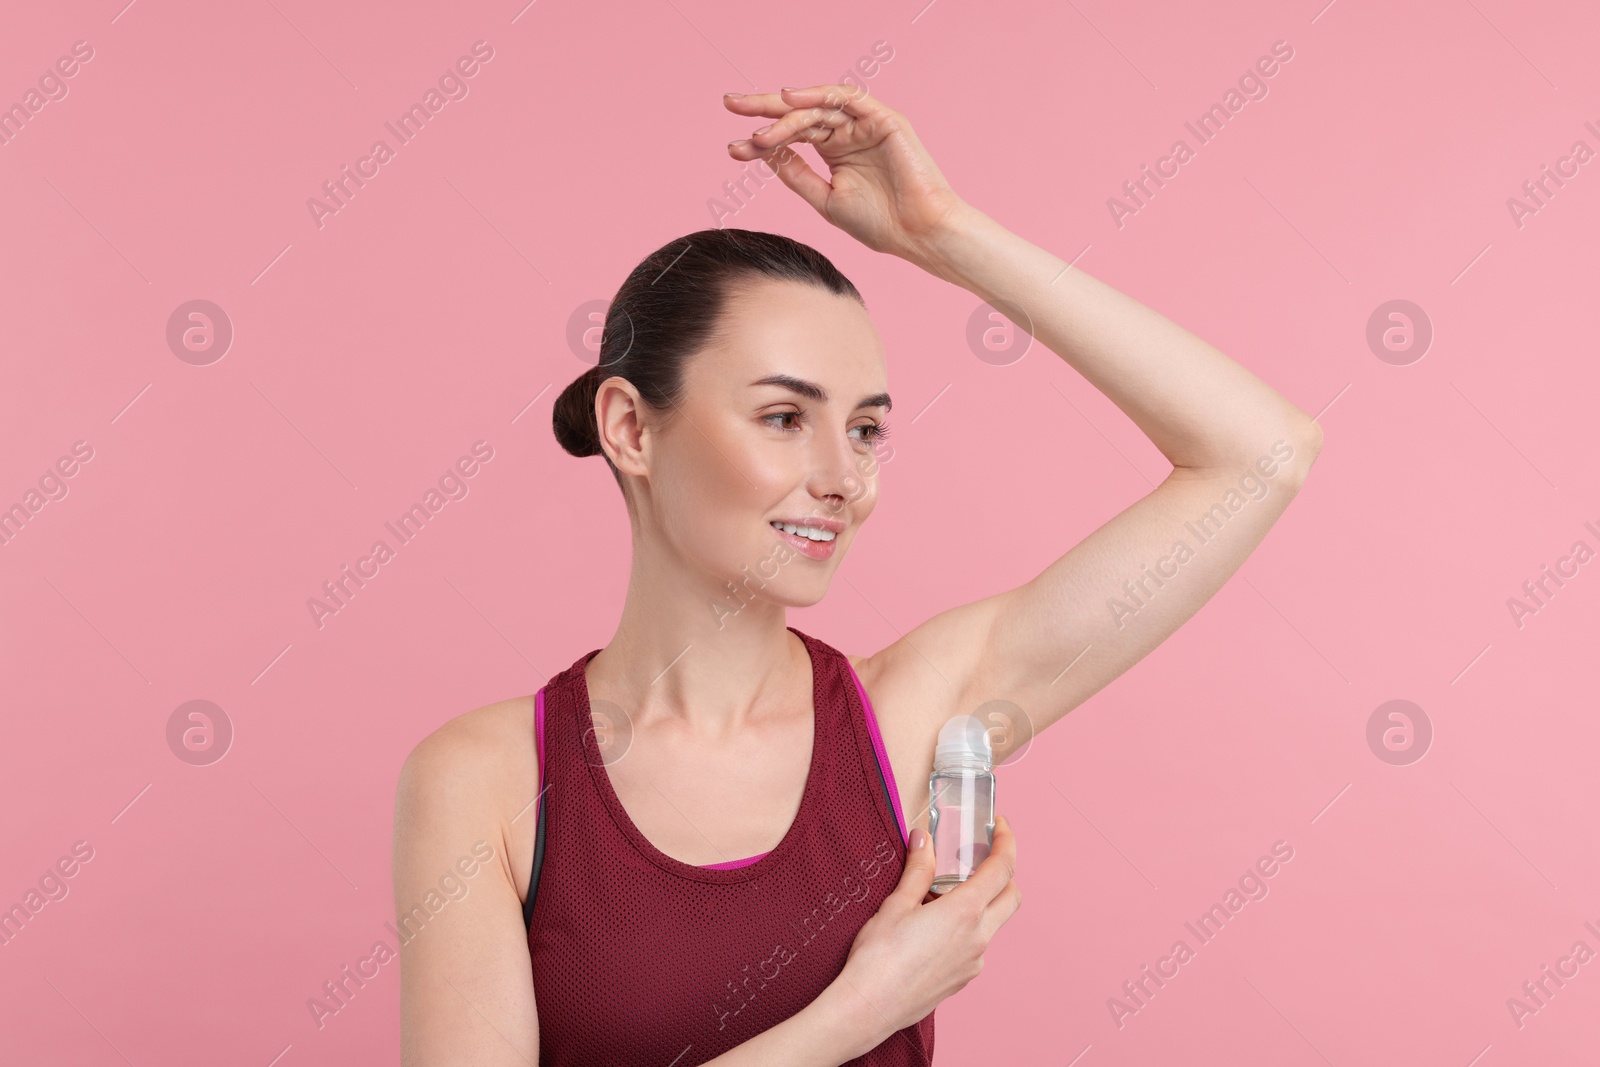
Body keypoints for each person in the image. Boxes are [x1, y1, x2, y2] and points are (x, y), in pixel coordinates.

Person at [392, 82, 1322, 1066]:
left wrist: (941, 232)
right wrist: (861, 1008)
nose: (845, 479)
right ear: (630, 427)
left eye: (867, 428)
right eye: (784, 417)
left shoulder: (913, 716)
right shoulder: (485, 780)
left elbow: (1260, 452)